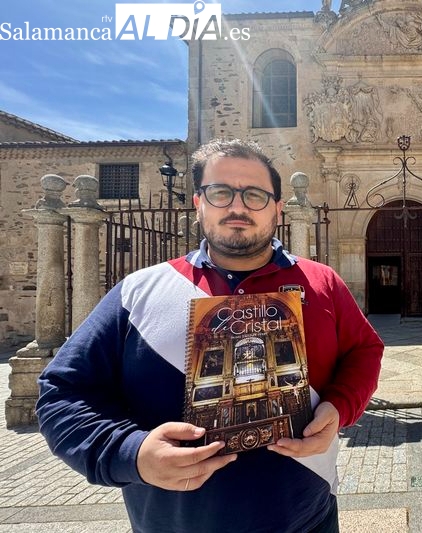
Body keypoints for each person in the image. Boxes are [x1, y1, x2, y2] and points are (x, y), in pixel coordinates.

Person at [36, 138, 384, 533]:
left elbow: (364, 350)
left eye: (255, 194)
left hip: (308, 520)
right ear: (199, 202)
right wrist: (130, 453)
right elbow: (62, 392)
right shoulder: (139, 292)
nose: (237, 207)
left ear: (278, 208)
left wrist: (340, 407)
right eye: (221, 192)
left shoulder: (323, 283)